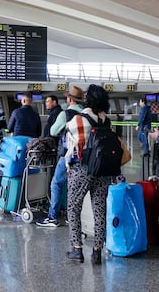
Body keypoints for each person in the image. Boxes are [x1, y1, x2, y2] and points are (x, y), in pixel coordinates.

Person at [64, 84, 112, 264]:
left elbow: (70, 142)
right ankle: (97, 251)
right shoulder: (107, 121)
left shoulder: (78, 119)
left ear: (88, 100)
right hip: (103, 171)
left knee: (73, 207)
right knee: (100, 210)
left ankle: (77, 248)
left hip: (82, 169)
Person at [36, 86, 84, 227]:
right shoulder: (86, 113)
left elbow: (53, 131)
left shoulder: (66, 114)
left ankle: (53, 216)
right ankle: (72, 215)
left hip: (68, 155)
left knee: (56, 183)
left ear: (69, 99)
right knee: (74, 185)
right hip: (83, 154)